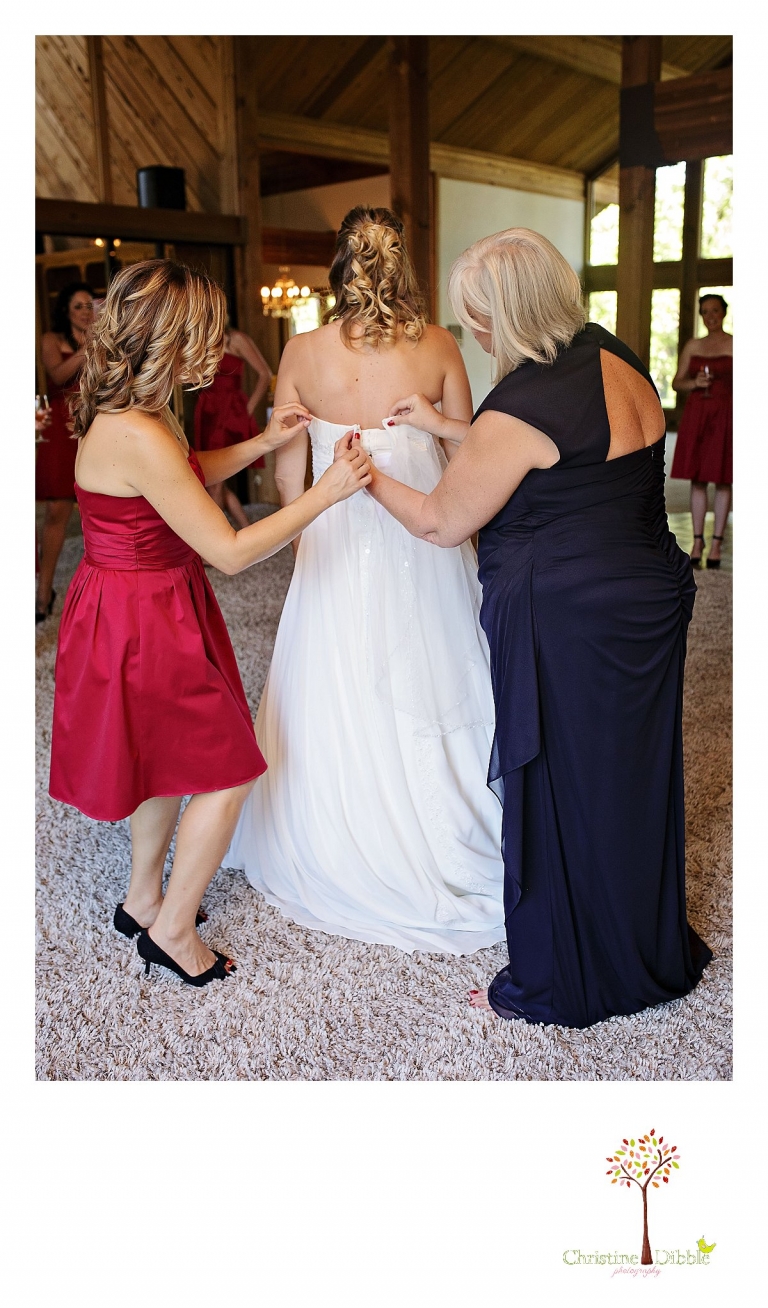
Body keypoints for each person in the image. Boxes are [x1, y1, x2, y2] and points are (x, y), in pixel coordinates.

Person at [363, 227, 712, 1027]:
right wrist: (451, 428)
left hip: (570, 619)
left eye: (478, 317)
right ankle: (644, 940)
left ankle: (583, 967)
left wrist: (365, 478)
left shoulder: (521, 401)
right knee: (626, 776)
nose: (476, 332)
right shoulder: (615, 356)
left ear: (509, 314)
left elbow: (441, 522)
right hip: (646, 598)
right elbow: (565, 452)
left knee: (564, 782)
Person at [49, 259, 370, 988]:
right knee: (229, 770)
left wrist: (259, 443)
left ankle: (140, 898)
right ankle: (171, 929)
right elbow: (229, 551)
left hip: (136, 603)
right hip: (143, 617)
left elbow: (182, 471)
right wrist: (326, 494)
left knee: (164, 758)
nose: (219, 347)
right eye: (206, 333)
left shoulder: (139, 411)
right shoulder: (136, 430)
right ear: (171, 337)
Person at [225, 207, 505, 954]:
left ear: (337, 263)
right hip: (427, 539)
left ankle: (338, 833)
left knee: (336, 677)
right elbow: (469, 460)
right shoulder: (439, 344)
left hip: (334, 537)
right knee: (437, 671)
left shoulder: (301, 352)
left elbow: (289, 475)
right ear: (401, 261)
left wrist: (315, 514)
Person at [36, 282, 94, 622]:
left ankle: (95, 593)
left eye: (89, 305)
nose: (85, 311)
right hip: (61, 426)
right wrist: (89, 349)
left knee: (97, 503)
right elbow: (57, 374)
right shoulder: (50, 339)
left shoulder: (102, 339)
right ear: (66, 311)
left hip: (92, 423)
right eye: (78, 306)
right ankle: (43, 593)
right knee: (58, 509)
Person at [670, 294, 732, 569]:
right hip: (696, 414)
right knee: (696, 478)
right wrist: (694, 381)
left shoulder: (735, 344)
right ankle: (698, 541)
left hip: (726, 415)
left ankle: (717, 541)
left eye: (715, 311)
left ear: (723, 313)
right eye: (705, 311)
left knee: (722, 479)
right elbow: (676, 383)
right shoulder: (693, 345)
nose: (710, 316)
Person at [192, 319, 272, 529]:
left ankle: (212, 538)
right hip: (207, 410)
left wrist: (248, 408)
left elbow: (265, 374)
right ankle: (246, 527)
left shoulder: (236, 339)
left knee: (216, 482)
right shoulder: (202, 341)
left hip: (228, 412)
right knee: (212, 476)